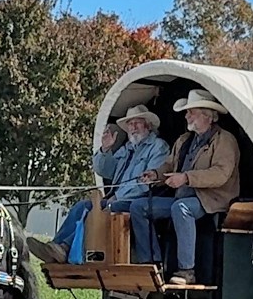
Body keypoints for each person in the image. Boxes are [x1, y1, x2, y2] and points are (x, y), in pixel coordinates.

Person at [27, 104, 170, 264]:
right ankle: (55, 246)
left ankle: (65, 248)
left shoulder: (158, 146)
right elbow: (105, 170)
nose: (133, 127)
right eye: (130, 124)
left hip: (138, 201)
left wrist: (117, 196)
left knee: (103, 210)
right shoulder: (127, 148)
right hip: (115, 199)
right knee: (82, 206)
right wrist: (105, 149)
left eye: (137, 123)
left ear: (148, 125)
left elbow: (148, 183)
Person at [130, 89, 240, 285]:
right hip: (183, 196)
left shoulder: (225, 140)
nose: (186, 115)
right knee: (138, 207)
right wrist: (155, 174)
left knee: (181, 209)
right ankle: (152, 264)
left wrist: (187, 178)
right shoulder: (184, 140)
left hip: (213, 199)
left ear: (207, 115)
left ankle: (187, 271)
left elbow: (221, 174)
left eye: (191, 111)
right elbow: (169, 165)